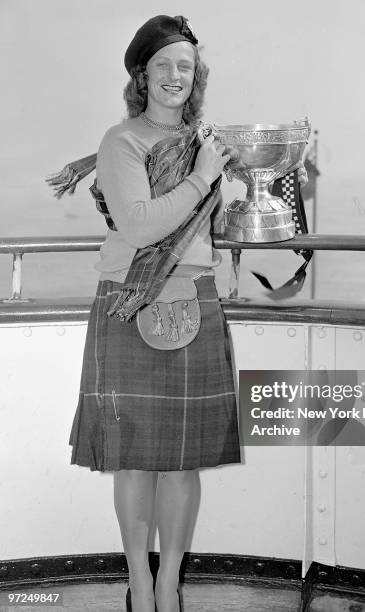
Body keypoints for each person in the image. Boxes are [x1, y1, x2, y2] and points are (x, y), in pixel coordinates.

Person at [66, 14, 307, 612]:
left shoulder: (207, 141)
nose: (177, 76)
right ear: (141, 75)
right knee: (134, 461)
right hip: (131, 300)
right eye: (164, 65)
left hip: (196, 299)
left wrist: (261, 216)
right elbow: (141, 223)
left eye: (186, 66)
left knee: (181, 465)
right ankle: (139, 584)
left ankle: (169, 582)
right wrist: (204, 177)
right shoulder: (122, 141)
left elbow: (210, 221)